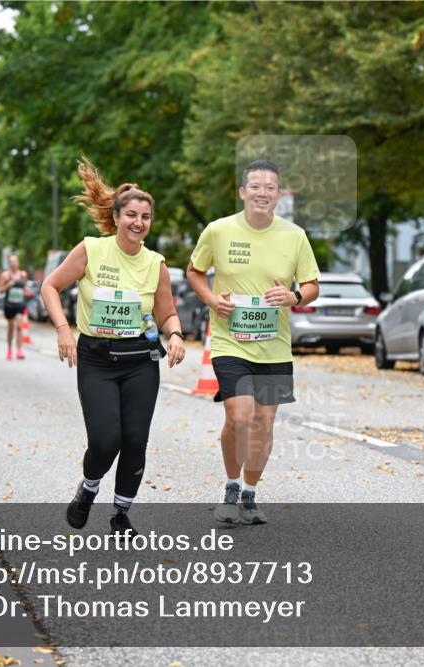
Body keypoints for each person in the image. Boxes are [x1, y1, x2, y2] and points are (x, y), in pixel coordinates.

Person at [41, 158, 186, 535]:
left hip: (140, 360)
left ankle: (121, 513)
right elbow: (50, 287)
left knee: (135, 439)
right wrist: (62, 329)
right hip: (98, 359)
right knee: (107, 439)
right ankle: (88, 488)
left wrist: (175, 335)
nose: (139, 223)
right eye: (132, 215)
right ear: (117, 216)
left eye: (146, 217)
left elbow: (167, 313)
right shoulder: (91, 250)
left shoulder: (156, 264)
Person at [187, 160, 320, 525]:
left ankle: (250, 493)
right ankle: (231, 485)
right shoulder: (218, 231)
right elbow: (195, 271)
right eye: (256, 186)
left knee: (263, 423)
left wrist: (294, 297)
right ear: (243, 192)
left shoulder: (294, 236)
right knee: (240, 415)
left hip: (275, 347)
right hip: (231, 342)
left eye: (270, 187)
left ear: (279, 194)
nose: (263, 192)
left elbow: (311, 285)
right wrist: (212, 300)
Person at [0, 254, 28, 360]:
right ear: (9, 263)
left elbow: (25, 288)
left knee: (19, 326)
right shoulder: (5, 275)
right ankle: (10, 349)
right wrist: (8, 285)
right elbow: (0, 290)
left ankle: (19, 350)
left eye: (15, 261)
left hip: (20, 304)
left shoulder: (23, 274)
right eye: (11, 261)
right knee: (10, 327)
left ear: (18, 262)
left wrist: (26, 292)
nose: (13, 263)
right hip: (9, 305)